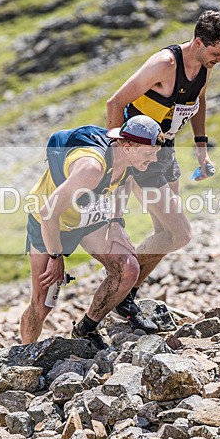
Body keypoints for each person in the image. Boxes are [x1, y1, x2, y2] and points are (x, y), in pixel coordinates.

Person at [106, 10, 220, 331]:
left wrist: (201, 148)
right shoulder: (165, 64)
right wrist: (118, 158)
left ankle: (126, 293)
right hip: (139, 153)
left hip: (166, 150)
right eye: (216, 53)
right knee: (178, 234)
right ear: (197, 42)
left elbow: (199, 101)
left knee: (165, 235)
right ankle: (118, 282)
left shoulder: (204, 67)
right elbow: (114, 103)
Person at [20, 115, 164, 349]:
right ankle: (25, 355)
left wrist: (116, 222)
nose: (155, 157)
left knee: (128, 269)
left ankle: (85, 329)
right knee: (42, 303)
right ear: (127, 146)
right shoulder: (91, 169)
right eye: (150, 152)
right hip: (50, 224)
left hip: (88, 220)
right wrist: (56, 257)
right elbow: (48, 214)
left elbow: (124, 183)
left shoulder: (129, 161)